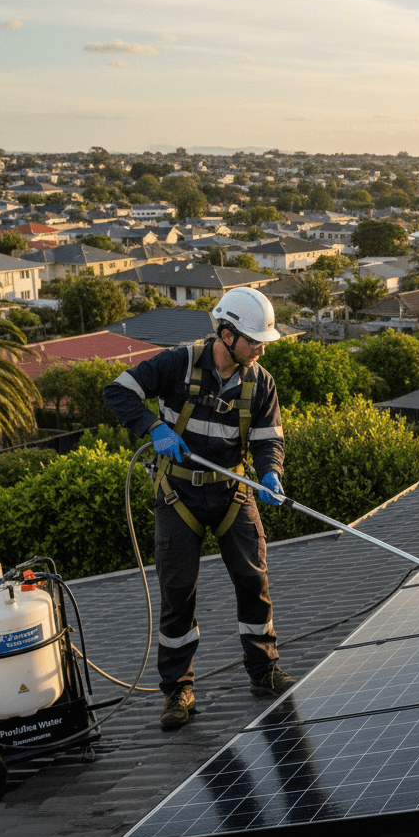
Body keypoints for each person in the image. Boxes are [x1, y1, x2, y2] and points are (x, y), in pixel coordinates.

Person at [102, 286, 295, 731]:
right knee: (178, 592)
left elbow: (268, 439)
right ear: (226, 335)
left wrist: (271, 474)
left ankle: (264, 671)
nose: (261, 348)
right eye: (254, 340)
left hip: (232, 493)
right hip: (179, 495)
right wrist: (152, 426)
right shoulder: (176, 364)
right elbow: (117, 392)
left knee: (253, 581)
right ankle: (178, 691)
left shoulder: (260, 382)